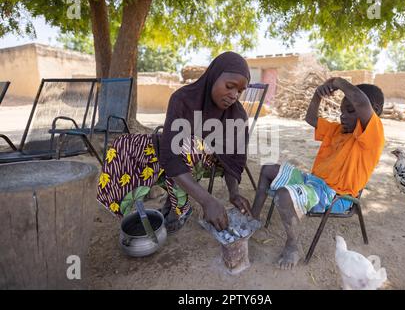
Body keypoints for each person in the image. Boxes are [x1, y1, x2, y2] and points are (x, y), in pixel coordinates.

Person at [97, 51, 253, 233]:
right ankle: (124, 205)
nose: (234, 95)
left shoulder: (237, 116)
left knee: (186, 144)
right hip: (180, 153)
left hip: (214, 160)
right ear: (214, 76)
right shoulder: (182, 99)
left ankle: (179, 208)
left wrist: (233, 193)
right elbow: (170, 153)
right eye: (229, 86)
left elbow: (234, 159)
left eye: (240, 91)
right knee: (125, 145)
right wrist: (208, 200)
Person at [251, 77, 385, 270]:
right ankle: (253, 218)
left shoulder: (372, 136)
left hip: (335, 196)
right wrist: (317, 94)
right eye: (341, 111)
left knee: (283, 195)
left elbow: (362, 102)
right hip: (313, 182)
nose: (342, 116)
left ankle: (293, 245)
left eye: (349, 111)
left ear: (375, 110)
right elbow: (311, 119)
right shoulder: (338, 130)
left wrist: (338, 82)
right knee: (268, 169)